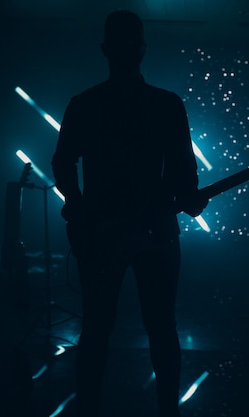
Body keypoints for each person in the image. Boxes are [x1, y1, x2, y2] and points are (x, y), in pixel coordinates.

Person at [51, 9, 207, 417]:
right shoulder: (167, 105)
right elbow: (183, 176)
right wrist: (187, 199)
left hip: (108, 234)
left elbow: (63, 166)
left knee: (98, 330)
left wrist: (84, 213)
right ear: (142, 49)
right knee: (160, 329)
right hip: (154, 234)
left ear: (107, 50)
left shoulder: (84, 105)